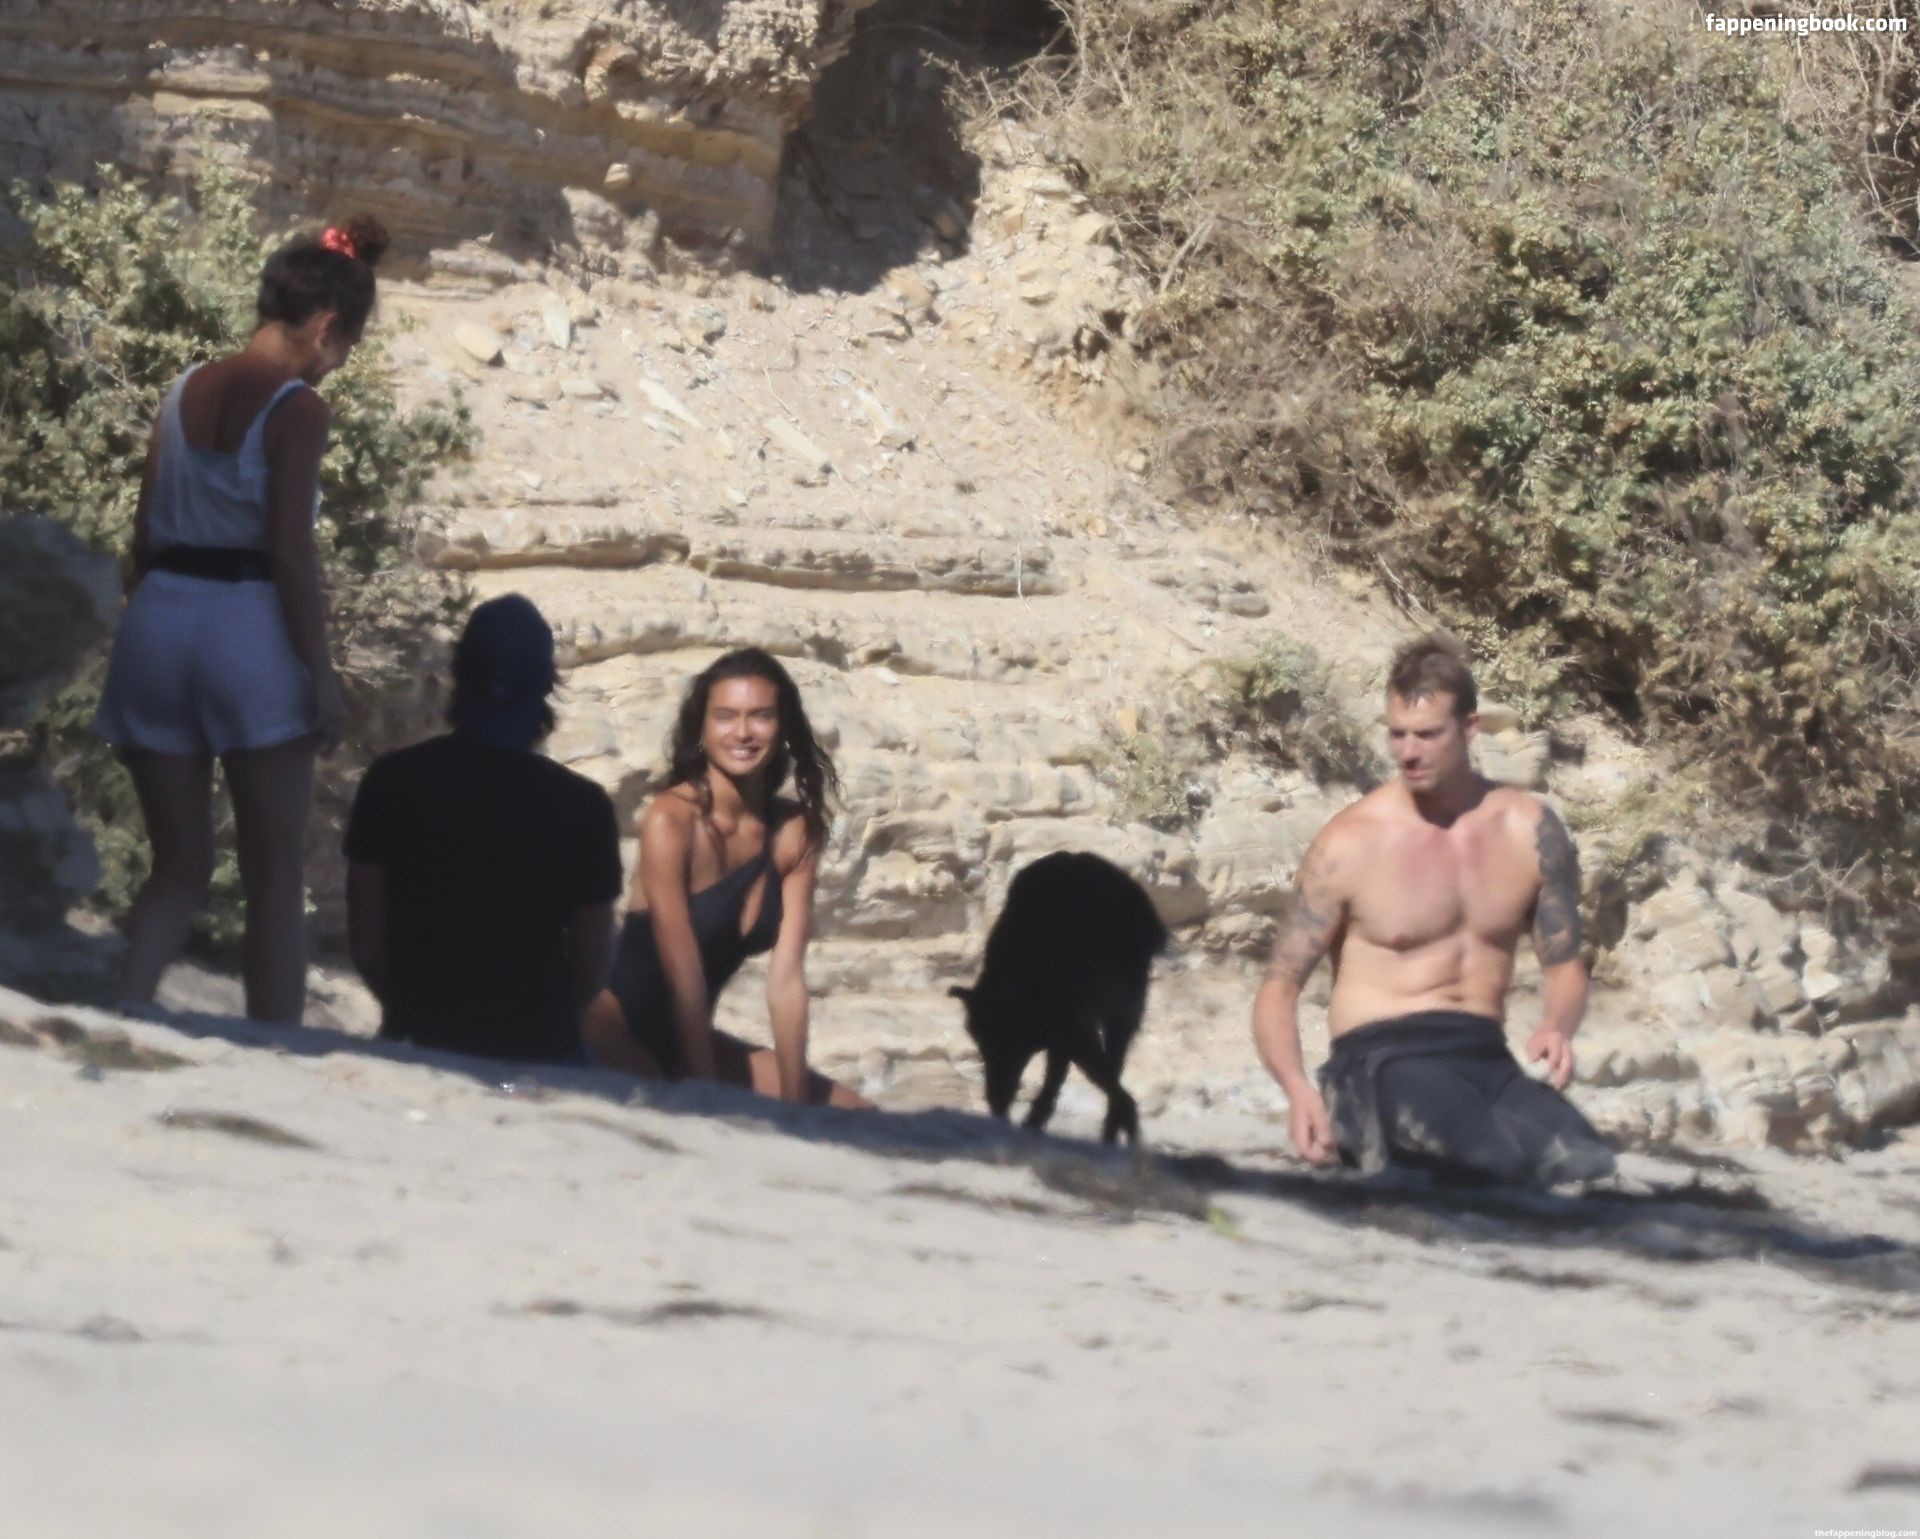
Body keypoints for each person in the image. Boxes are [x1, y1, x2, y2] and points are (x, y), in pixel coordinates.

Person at [94, 215, 388, 1023]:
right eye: (346, 348)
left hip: (159, 618)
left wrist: (162, 613)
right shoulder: (298, 409)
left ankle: (120, 1013)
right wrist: (319, 673)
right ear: (326, 327)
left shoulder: (182, 389)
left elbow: (144, 535)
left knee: (177, 867)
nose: (338, 366)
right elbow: (290, 550)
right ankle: (276, 1051)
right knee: (274, 877)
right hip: (247, 626)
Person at [1252, 633, 1615, 1185]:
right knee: (1488, 1165)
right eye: (1397, 734)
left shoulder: (1529, 830)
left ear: (1469, 729)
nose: (1408, 752)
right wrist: (1299, 1090)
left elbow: (1564, 967)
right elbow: (1278, 988)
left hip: (1482, 1058)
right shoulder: (1352, 842)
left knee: (1589, 1166)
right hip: (1378, 1063)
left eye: (1426, 734)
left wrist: (1556, 1027)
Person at [584, 648, 871, 1108]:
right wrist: (708, 1091)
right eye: (725, 716)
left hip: (688, 1039)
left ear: (782, 728)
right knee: (671, 1108)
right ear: (701, 729)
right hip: (610, 1031)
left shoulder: (796, 832)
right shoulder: (670, 821)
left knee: (854, 1113)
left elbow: (786, 981)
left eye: (760, 716)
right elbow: (686, 980)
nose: (742, 732)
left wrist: (798, 1109)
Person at [343, 594, 622, 1065]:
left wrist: (416, 1012)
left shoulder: (391, 781)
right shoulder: (584, 807)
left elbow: (367, 947)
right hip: (538, 1046)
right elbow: (592, 968)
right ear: (545, 689)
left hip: (419, 1034)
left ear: (459, 676)